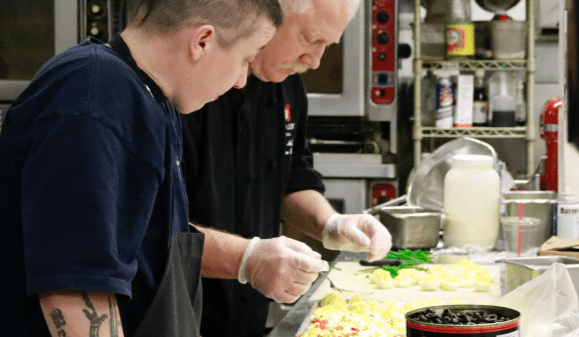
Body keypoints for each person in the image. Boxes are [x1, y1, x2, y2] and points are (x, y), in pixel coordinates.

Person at [0, 0, 328, 336]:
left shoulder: (152, 101)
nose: (241, 81)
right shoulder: (91, 102)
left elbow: (152, 237)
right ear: (202, 41)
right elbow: (75, 293)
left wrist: (249, 258)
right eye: (245, 59)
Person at [180, 0, 393, 335]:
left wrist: (330, 223)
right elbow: (150, 229)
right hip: (178, 317)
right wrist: (247, 258)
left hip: (248, 316)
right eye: (310, 39)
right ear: (266, 16)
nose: (316, 60)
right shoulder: (186, 87)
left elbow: (291, 174)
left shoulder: (287, 83)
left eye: (327, 45)